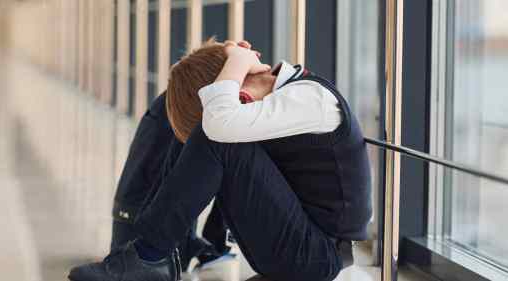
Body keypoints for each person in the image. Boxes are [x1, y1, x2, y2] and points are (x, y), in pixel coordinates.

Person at [69, 39, 371, 281]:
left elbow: (218, 124)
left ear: (239, 95)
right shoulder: (280, 104)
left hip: (316, 259)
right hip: (292, 249)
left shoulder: (310, 99)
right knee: (216, 134)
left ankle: (150, 255)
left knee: (217, 136)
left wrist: (236, 61)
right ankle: (152, 252)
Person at [68, 93, 232, 280]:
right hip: (146, 239)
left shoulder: (184, 94)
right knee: (220, 117)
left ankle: (214, 246)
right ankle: (216, 247)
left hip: (140, 238)